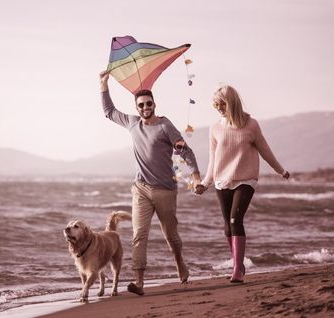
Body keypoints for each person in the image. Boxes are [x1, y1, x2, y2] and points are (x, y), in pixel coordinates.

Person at [99, 71, 201, 296]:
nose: (145, 107)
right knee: (139, 234)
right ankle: (139, 282)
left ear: (154, 104)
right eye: (141, 105)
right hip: (141, 189)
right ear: (137, 108)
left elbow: (186, 151)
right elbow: (108, 112)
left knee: (171, 236)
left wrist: (195, 177)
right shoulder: (132, 123)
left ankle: (179, 262)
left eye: (148, 103)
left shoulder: (165, 126)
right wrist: (103, 84)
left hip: (165, 189)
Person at [195, 84, 290, 283]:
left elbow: (265, 150)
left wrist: (280, 170)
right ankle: (239, 262)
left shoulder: (251, 125)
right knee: (227, 226)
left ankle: (237, 268)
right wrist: (205, 183)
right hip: (222, 180)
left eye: (221, 103)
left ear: (231, 103)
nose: (218, 107)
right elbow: (213, 159)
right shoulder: (215, 128)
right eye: (215, 104)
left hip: (246, 179)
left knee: (234, 221)